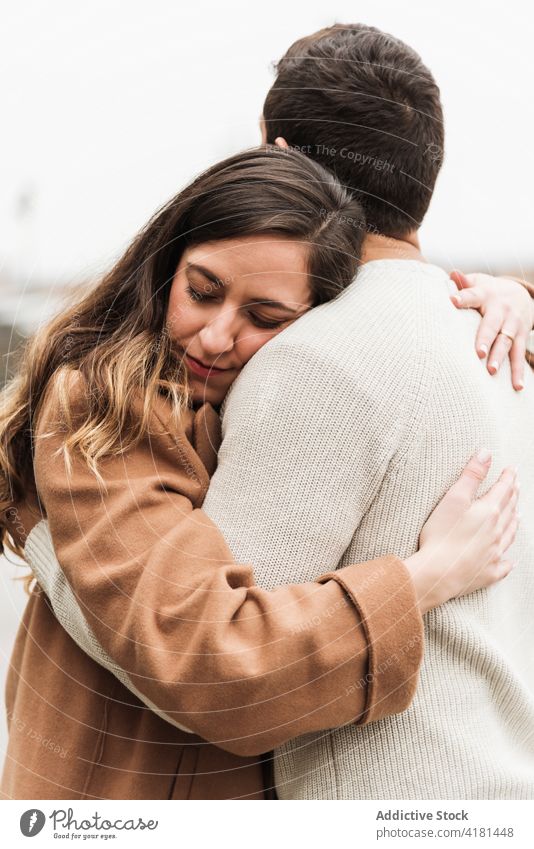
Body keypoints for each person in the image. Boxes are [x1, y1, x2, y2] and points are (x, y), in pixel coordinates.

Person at [0, 147, 520, 801]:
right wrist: (425, 577)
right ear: (164, 265)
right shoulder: (107, 407)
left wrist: (504, 297)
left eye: (266, 318)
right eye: (202, 291)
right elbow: (213, 661)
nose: (217, 336)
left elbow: (393, 313)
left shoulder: (261, 404)